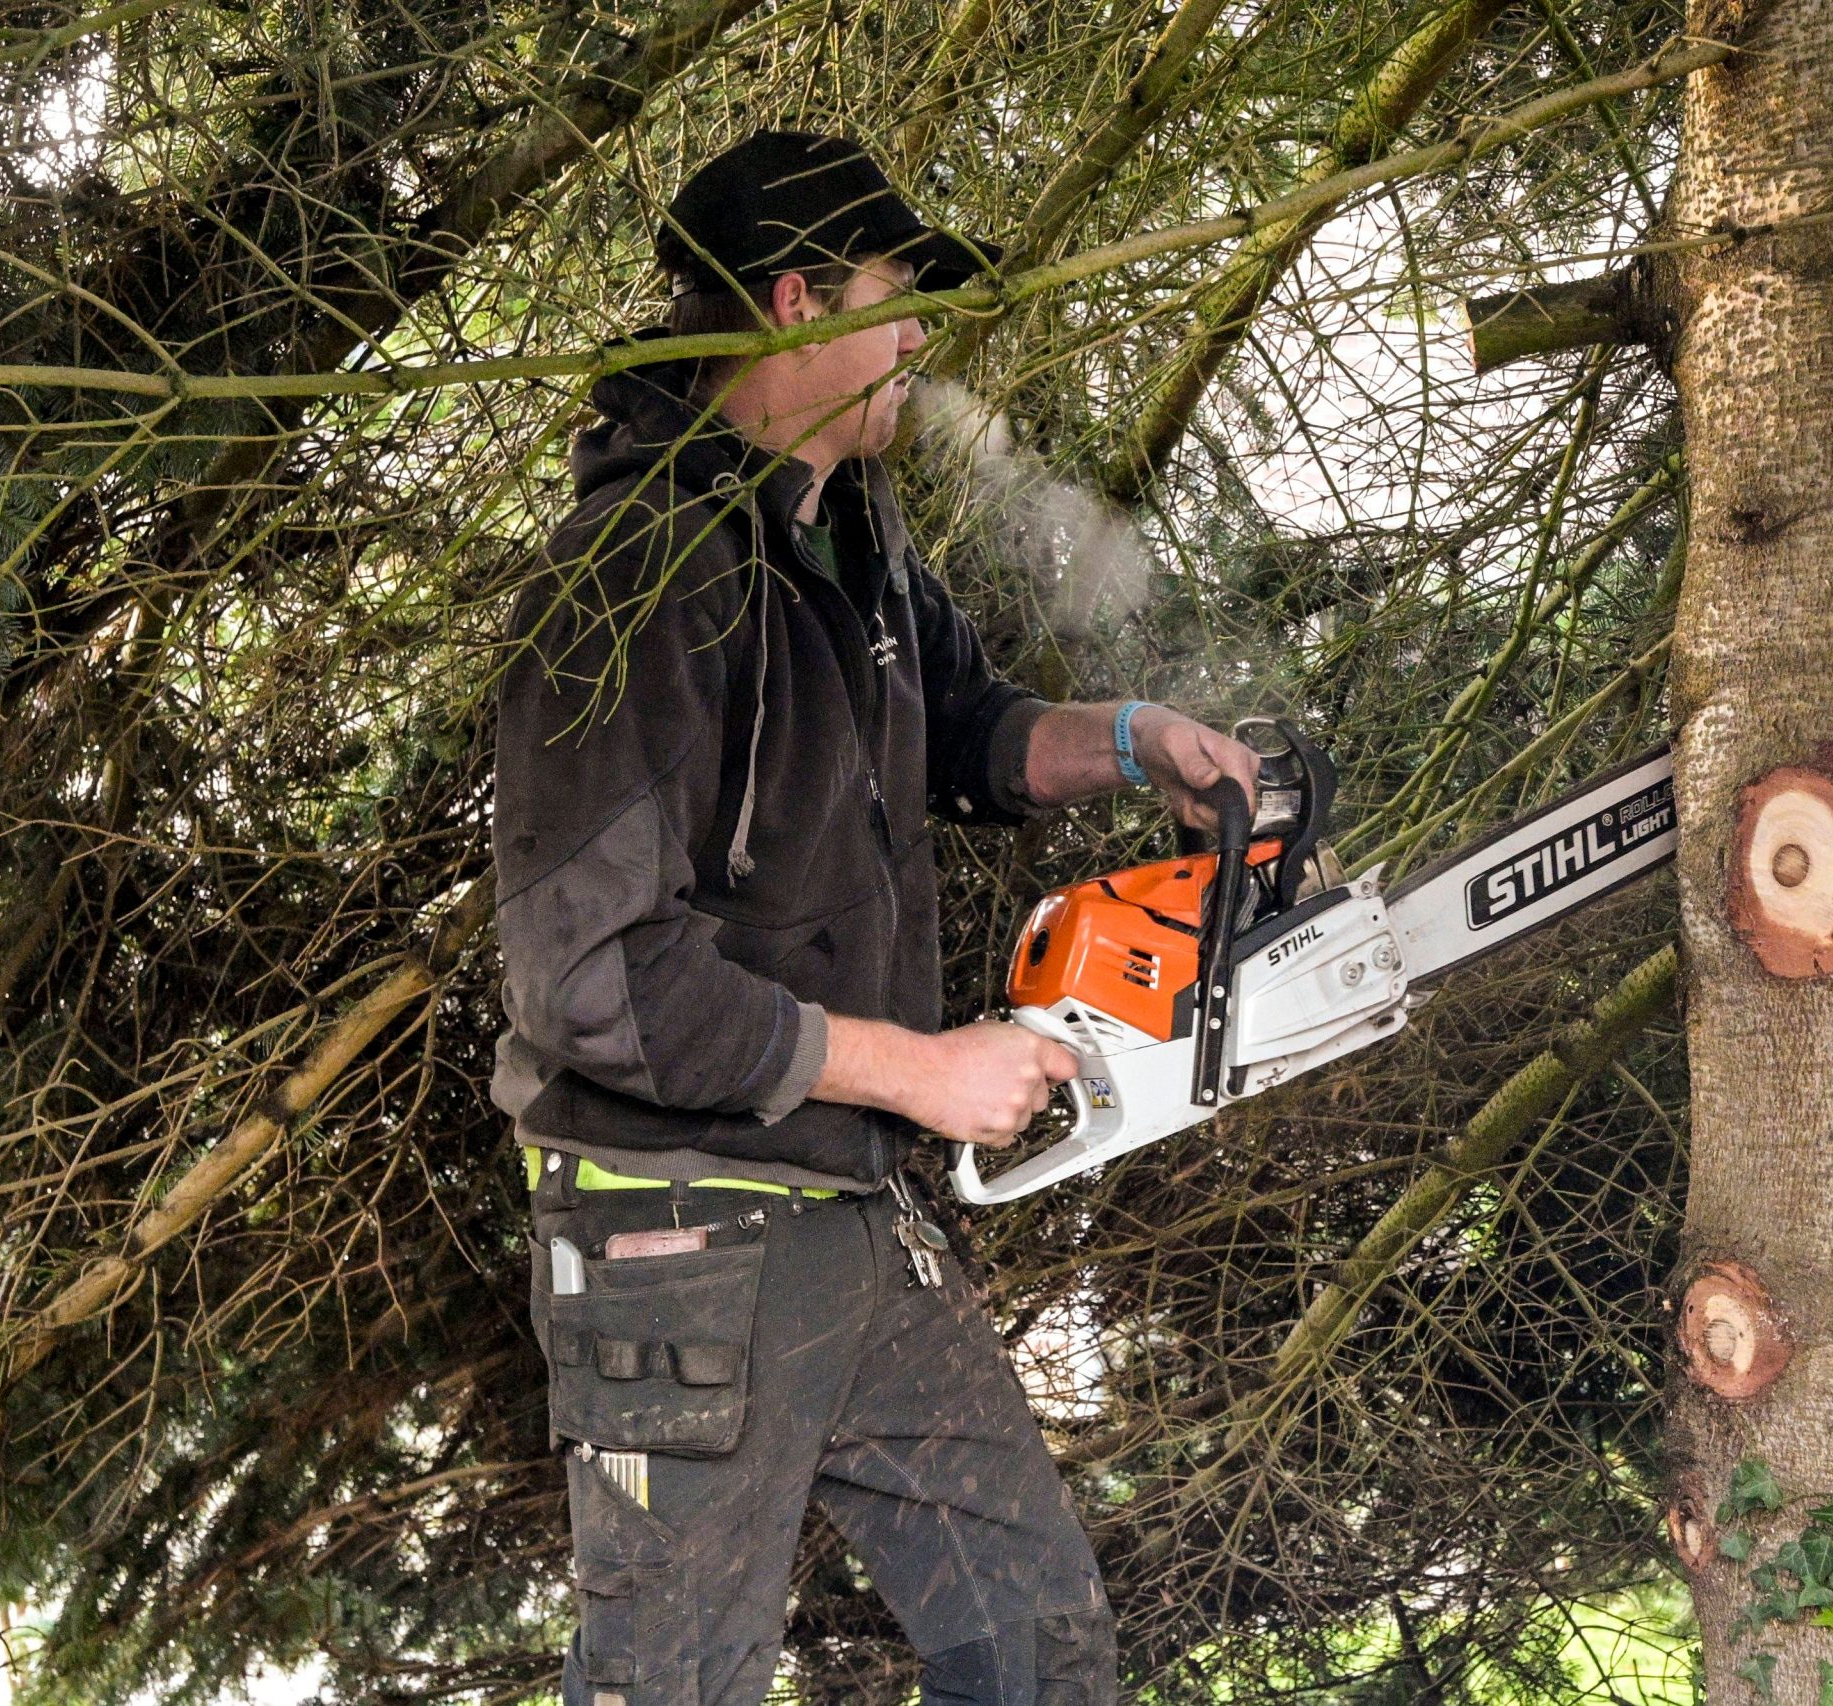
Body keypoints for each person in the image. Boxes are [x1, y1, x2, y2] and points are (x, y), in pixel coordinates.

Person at [490, 132, 1259, 1706]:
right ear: (790, 307)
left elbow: (967, 725)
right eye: (897, 296)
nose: (920, 337)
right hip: (678, 1238)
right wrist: (922, 1070)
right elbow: (592, 980)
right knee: (669, 1684)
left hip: (842, 1213)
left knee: (1036, 1641)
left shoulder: (852, 534)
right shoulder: (625, 581)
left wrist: (1135, 738)